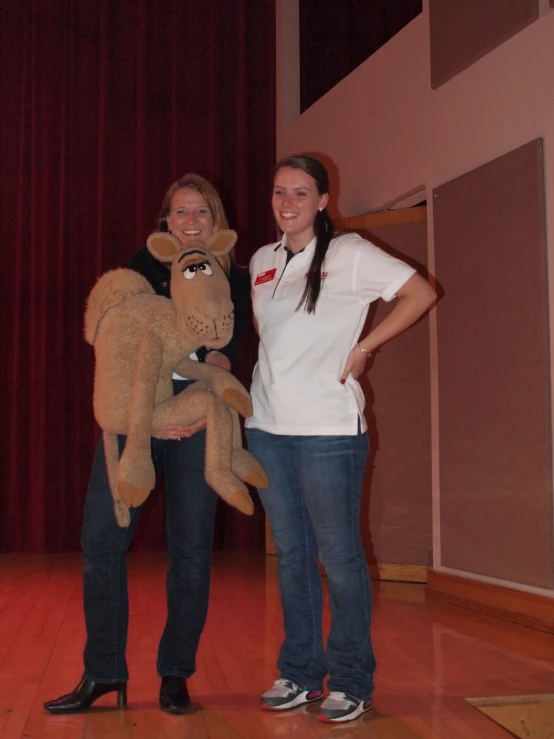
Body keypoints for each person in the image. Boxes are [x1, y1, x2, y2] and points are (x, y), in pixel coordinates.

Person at [44, 174, 251, 715]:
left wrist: (204, 409)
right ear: (165, 223)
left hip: (200, 423)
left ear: (216, 221)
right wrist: (153, 420)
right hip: (135, 421)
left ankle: (175, 675)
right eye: (179, 213)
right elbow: (118, 351)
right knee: (101, 544)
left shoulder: (236, 278)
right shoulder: (140, 268)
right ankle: (103, 672)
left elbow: (231, 352)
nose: (189, 223)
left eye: (200, 213)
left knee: (190, 551)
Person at [245, 155, 436, 723]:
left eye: (300, 193)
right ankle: (301, 673)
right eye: (280, 192)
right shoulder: (261, 260)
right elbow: (270, 337)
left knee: (340, 557)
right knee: (292, 557)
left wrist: (364, 347)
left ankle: (351, 680)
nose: (288, 204)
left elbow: (420, 293)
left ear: (324, 200)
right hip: (267, 427)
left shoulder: (350, 254)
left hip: (328, 429)